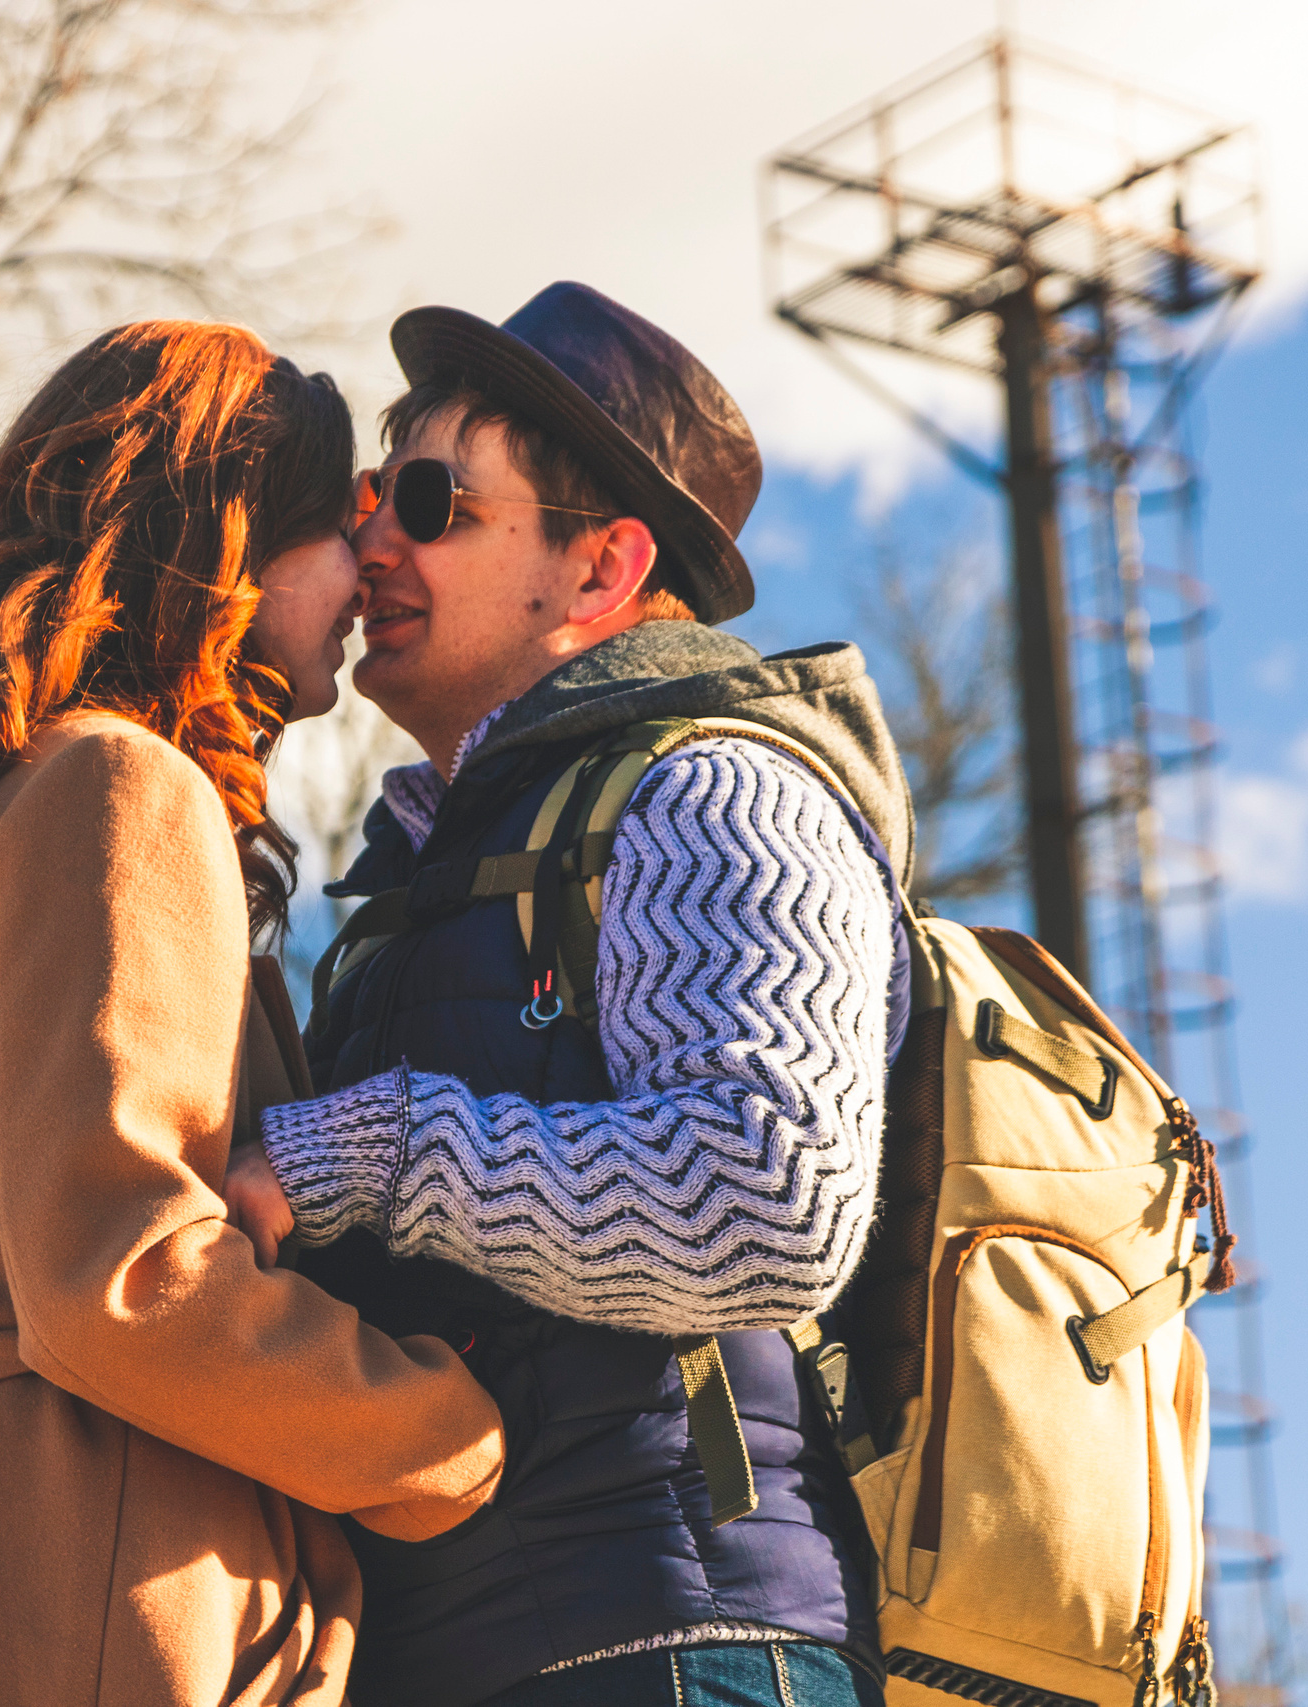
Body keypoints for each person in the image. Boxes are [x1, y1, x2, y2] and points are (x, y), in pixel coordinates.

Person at [0, 321, 505, 1707]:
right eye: (340, 524)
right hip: (65, 1575)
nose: (371, 569)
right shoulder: (117, 789)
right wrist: (445, 1432)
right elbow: (129, 1282)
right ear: (230, 543)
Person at [223, 283, 917, 1707]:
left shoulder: (710, 788)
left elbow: (765, 1195)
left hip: (675, 1647)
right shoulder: (438, 871)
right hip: (472, 1651)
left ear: (600, 571)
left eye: (433, 500)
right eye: (374, 492)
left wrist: (368, 1152)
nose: (371, 538)